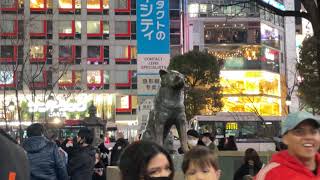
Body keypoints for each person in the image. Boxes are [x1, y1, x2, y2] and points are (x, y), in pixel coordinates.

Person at [255, 111, 320, 179]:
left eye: (313, 132)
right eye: (299, 132)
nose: (308, 137)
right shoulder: (270, 175)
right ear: (285, 139)